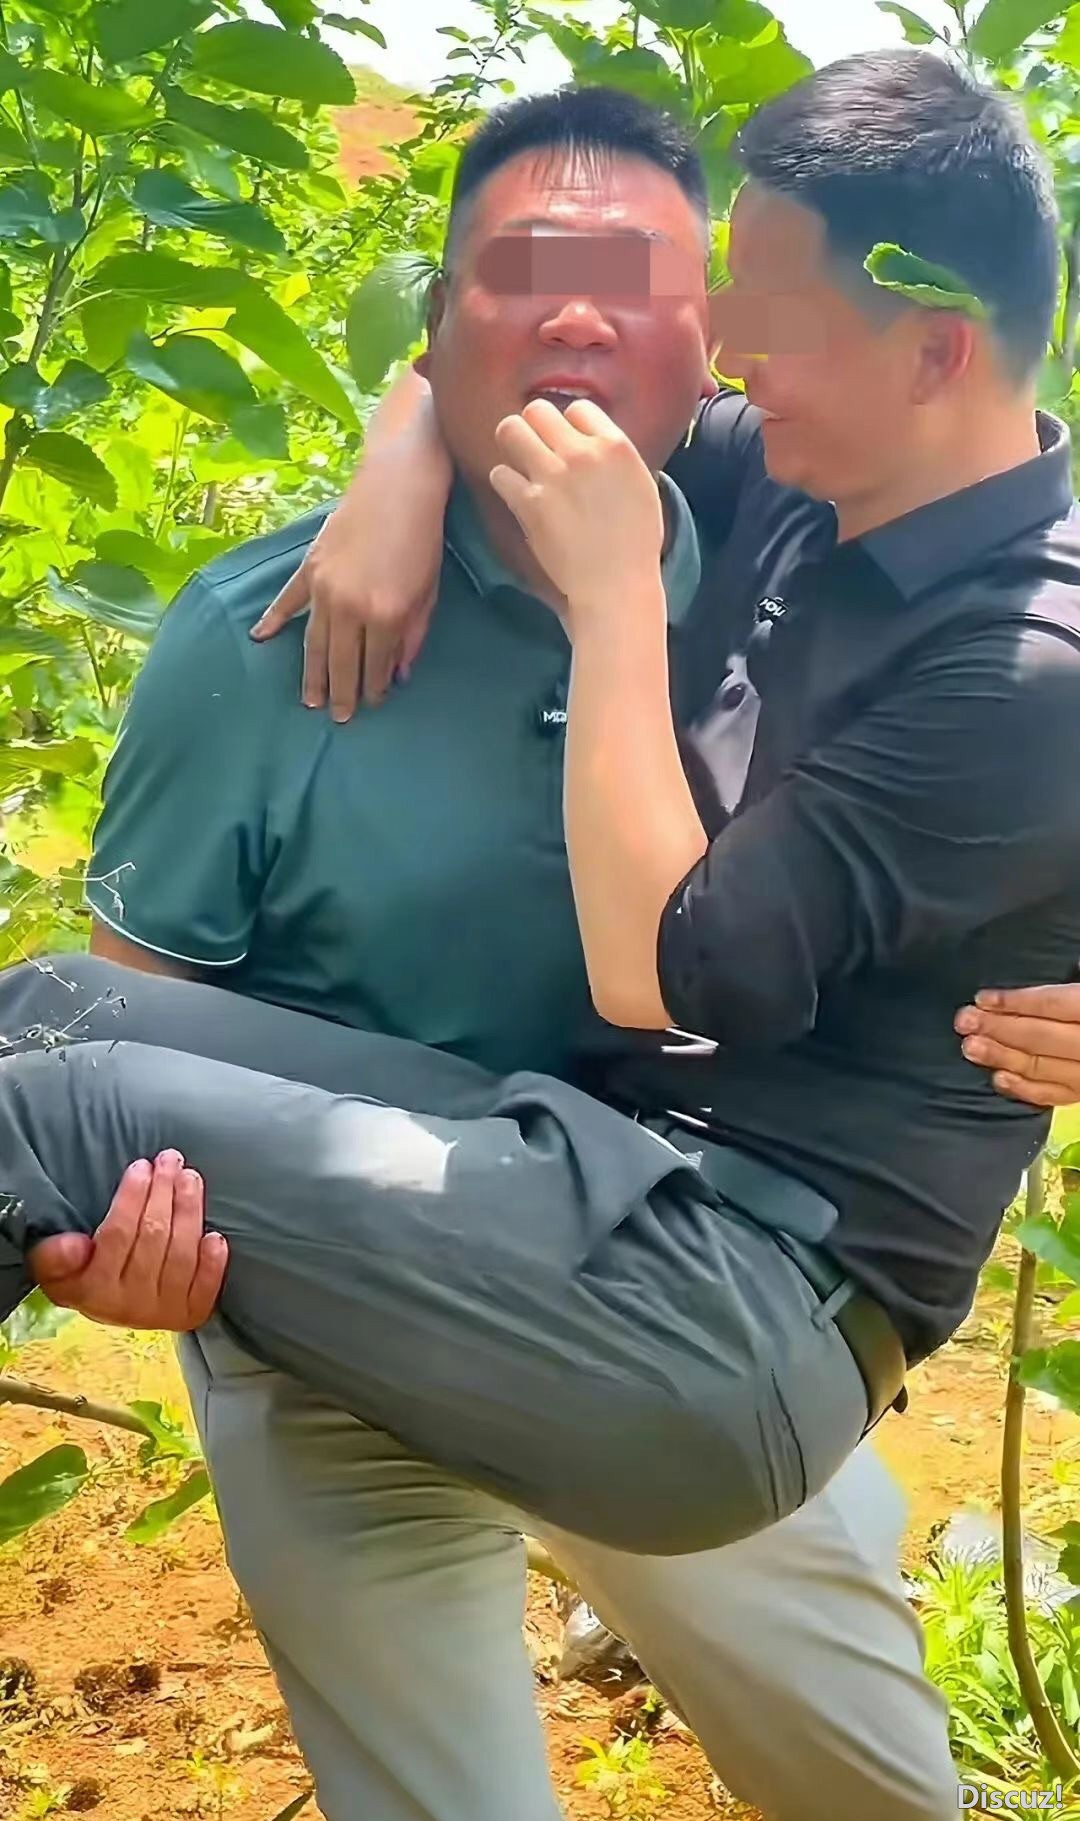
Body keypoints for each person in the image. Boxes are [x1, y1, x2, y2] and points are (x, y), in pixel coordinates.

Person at [0, 53, 1077, 1818]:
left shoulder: (884, 581)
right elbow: (535, 345)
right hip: (430, 1227)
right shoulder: (775, 482)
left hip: (688, 1288)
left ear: (930, 353)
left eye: (741, 311)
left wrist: (607, 598)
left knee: (873, 1799)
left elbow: (681, 956)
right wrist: (400, 451)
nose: (728, 360)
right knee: (46, 1023)